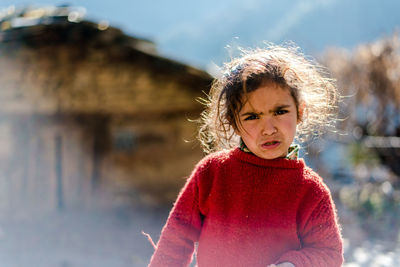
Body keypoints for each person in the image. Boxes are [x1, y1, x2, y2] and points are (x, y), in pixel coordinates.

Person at [148, 44, 343, 267]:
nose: (268, 128)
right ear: (234, 123)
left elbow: (329, 254)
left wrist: (293, 264)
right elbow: (175, 240)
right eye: (252, 117)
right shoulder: (212, 173)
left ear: (300, 111)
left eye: (280, 112)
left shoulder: (310, 191)